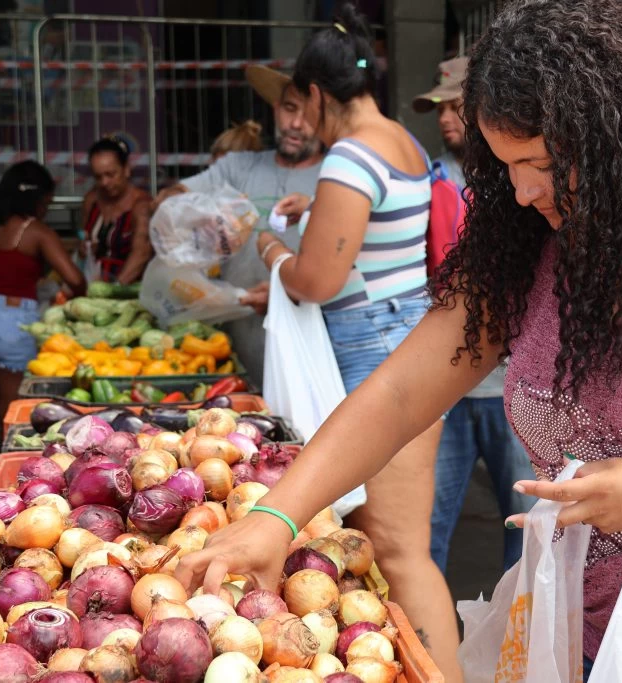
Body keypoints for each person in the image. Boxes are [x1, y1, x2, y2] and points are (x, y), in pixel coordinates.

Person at [176, 0, 622, 679]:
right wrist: (276, 515)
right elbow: (401, 393)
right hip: (583, 637)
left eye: (545, 167)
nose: (524, 192)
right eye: (507, 168)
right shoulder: (527, 242)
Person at [238, 6, 461, 680]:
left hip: (380, 360)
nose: (297, 120)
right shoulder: (401, 140)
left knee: (396, 549)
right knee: (387, 546)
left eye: (297, 104)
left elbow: (317, 279)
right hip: (403, 340)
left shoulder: (350, 157)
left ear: (315, 95)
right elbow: (384, 230)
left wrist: (274, 249)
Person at [413, 56, 536, 572]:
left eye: (455, 105)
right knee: (426, 530)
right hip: (448, 386)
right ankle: (429, 642)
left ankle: (522, 643)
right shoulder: (427, 180)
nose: (444, 117)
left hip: (516, 384)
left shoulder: (525, 183)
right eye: (438, 107)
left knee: (529, 529)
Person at [152, 65, 325, 387]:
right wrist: (198, 215)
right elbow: (168, 199)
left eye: (308, 113)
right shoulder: (237, 166)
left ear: (326, 117)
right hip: (239, 348)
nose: (296, 123)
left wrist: (286, 293)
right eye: (289, 109)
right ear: (276, 108)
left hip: (314, 342)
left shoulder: (335, 178)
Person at [0, 161, 85, 485]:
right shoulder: (36, 232)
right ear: (39, 200)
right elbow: (76, 280)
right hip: (12, 326)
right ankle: (5, 488)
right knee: (12, 415)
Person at [80, 137, 153, 284]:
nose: (104, 182)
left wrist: (115, 289)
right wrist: (85, 248)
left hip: (130, 287)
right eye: (98, 177)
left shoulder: (142, 205)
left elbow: (141, 254)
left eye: (110, 175)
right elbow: (84, 237)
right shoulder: (92, 199)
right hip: (95, 282)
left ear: (126, 169)